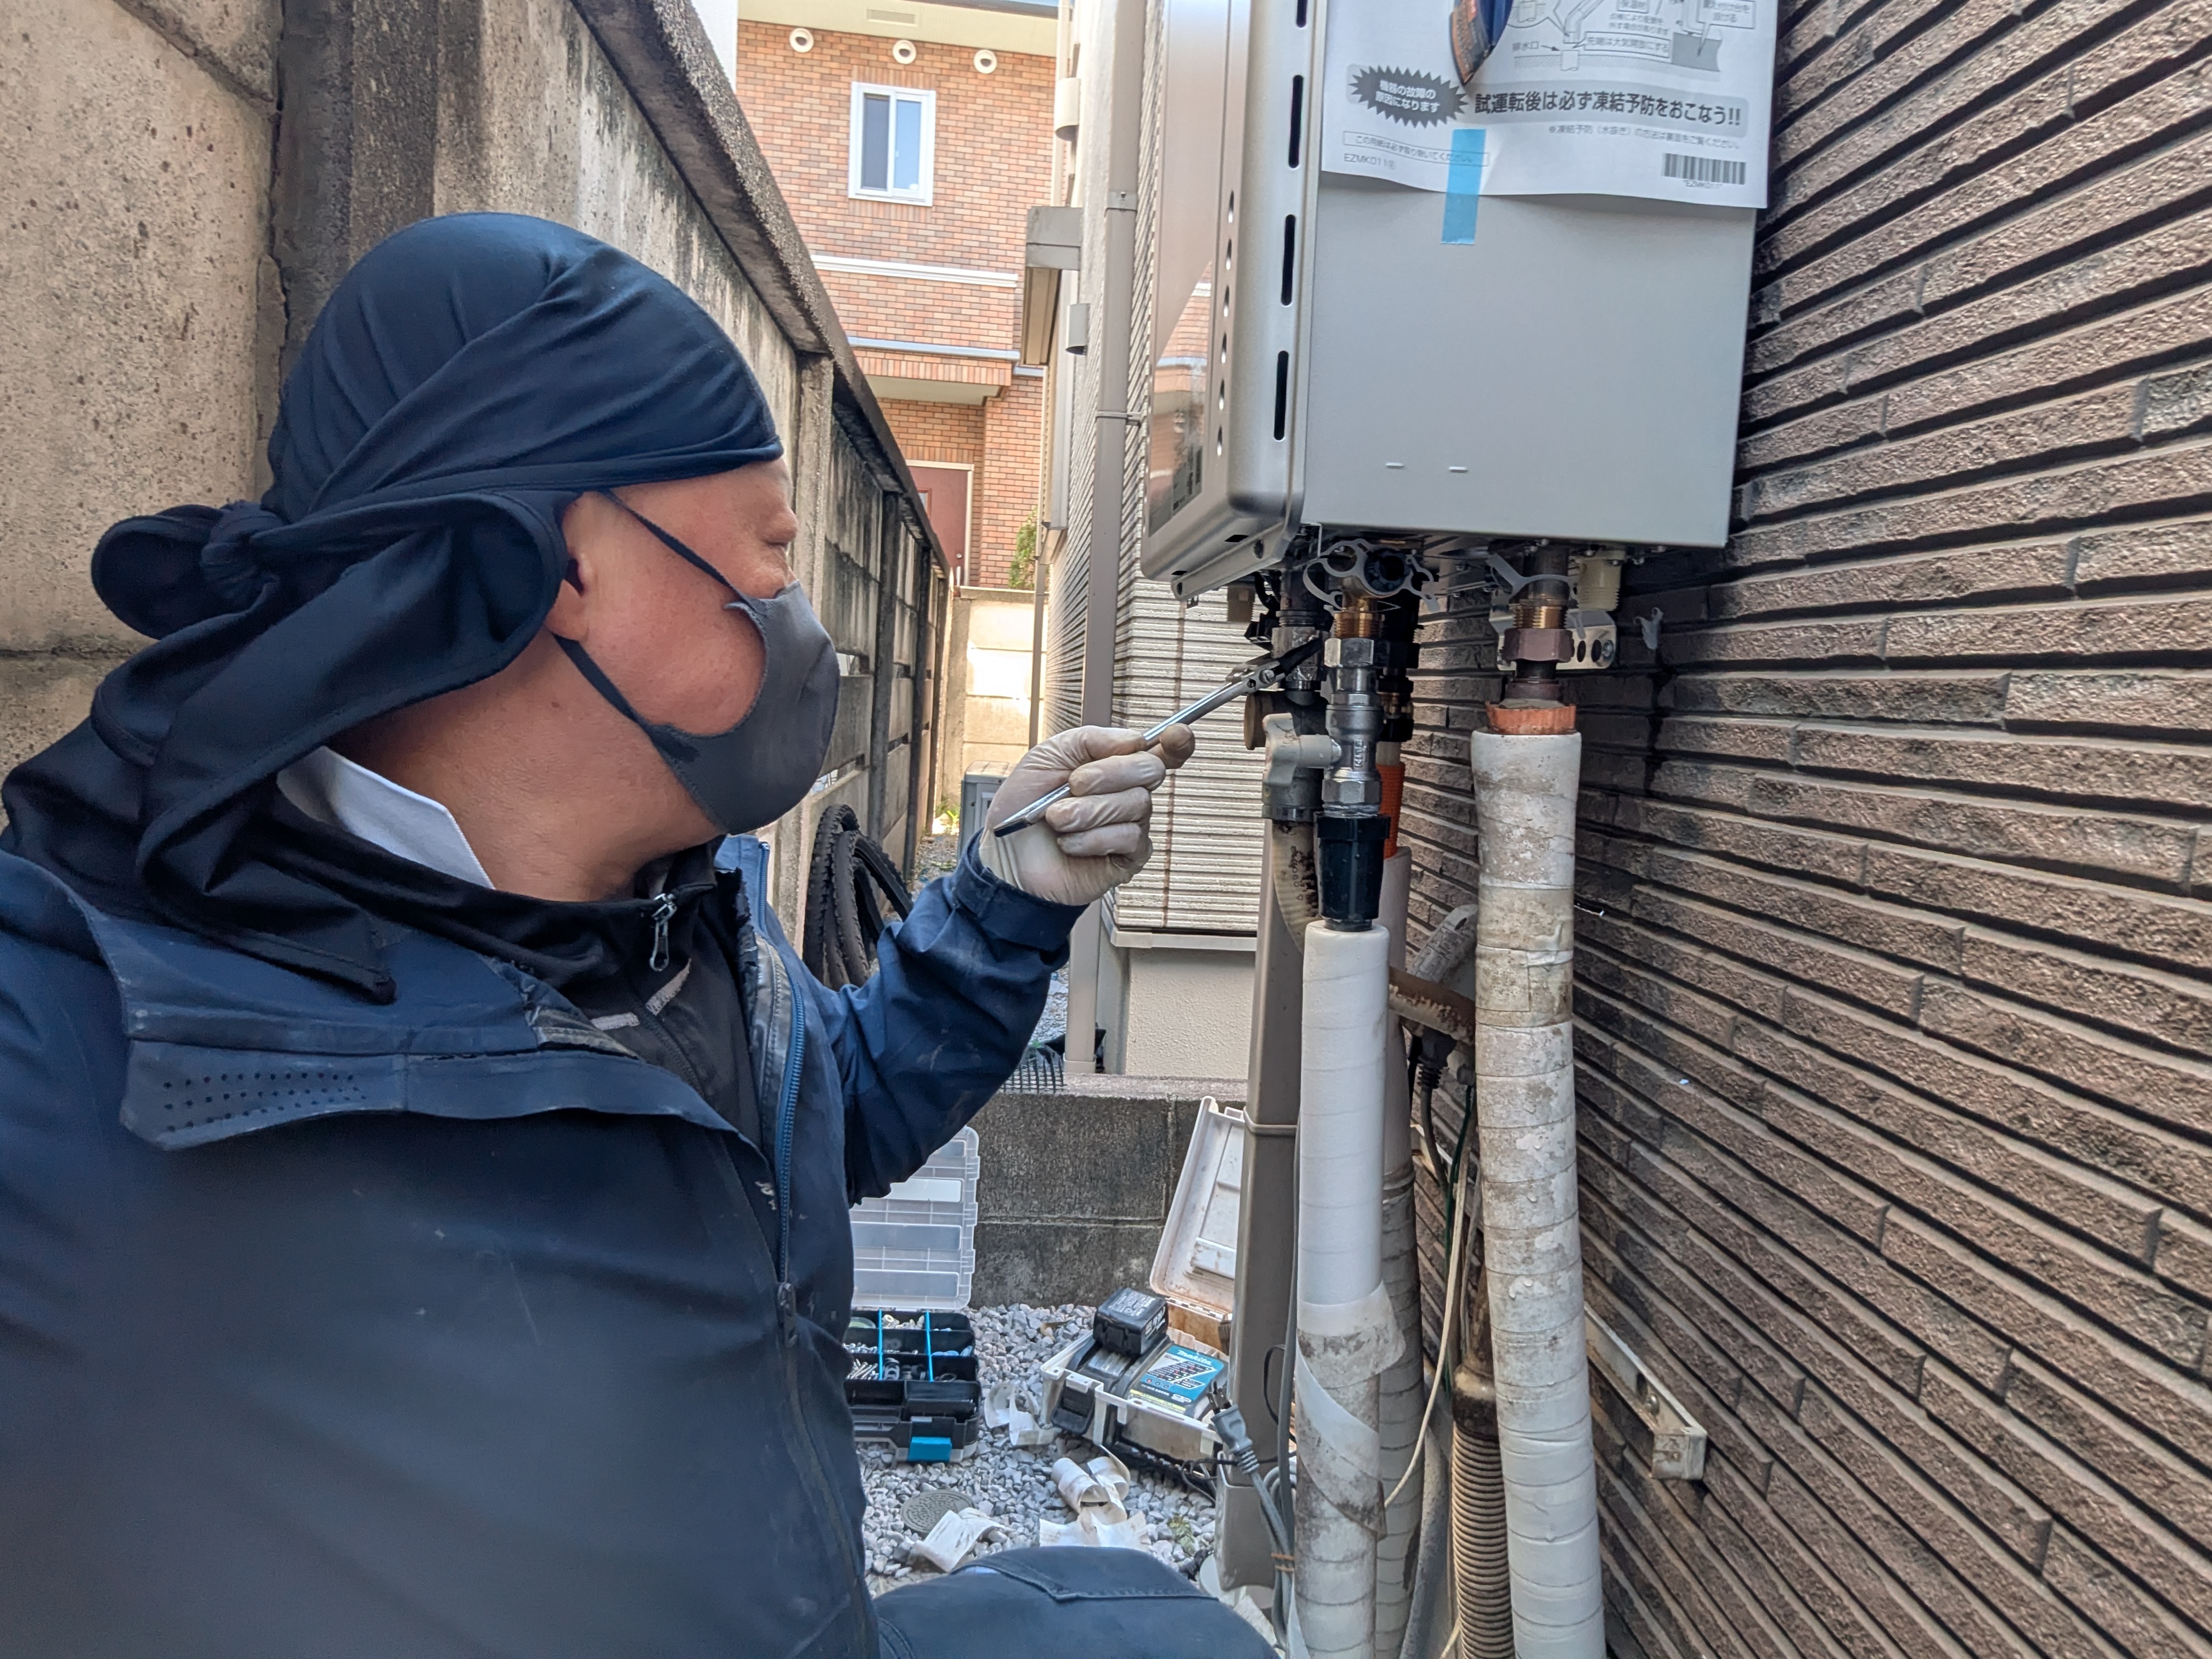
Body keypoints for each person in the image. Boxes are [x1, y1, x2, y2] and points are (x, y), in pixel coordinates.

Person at [0, 215, 1269, 1659]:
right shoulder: (71, 1050)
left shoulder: (681, 910)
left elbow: (813, 1121)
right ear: (550, 566)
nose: (810, 628)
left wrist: (1004, 903)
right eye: (771, 557)